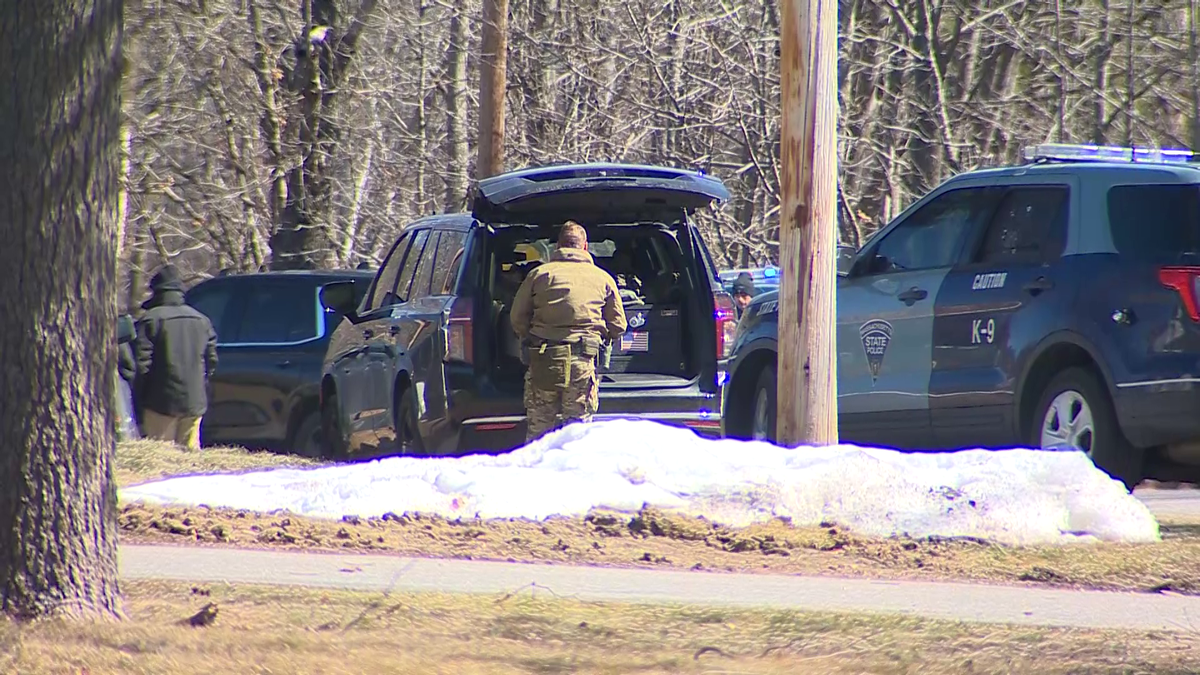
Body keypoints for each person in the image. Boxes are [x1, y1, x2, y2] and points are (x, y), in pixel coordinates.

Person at [510, 222, 628, 442]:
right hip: (582, 361)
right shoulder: (602, 278)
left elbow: (517, 317)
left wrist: (531, 336)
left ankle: (535, 474)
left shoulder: (538, 274)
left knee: (539, 432)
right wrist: (602, 336)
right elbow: (619, 325)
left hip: (544, 358)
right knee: (577, 435)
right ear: (585, 247)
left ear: (558, 246)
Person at [134, 264, 219, 450]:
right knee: (189, 461)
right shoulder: (202, 321)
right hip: (195, 400)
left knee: (160, 459)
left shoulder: (150, 320)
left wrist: (140, 399)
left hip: (160, 403)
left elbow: (141, 366)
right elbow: (211, 361)